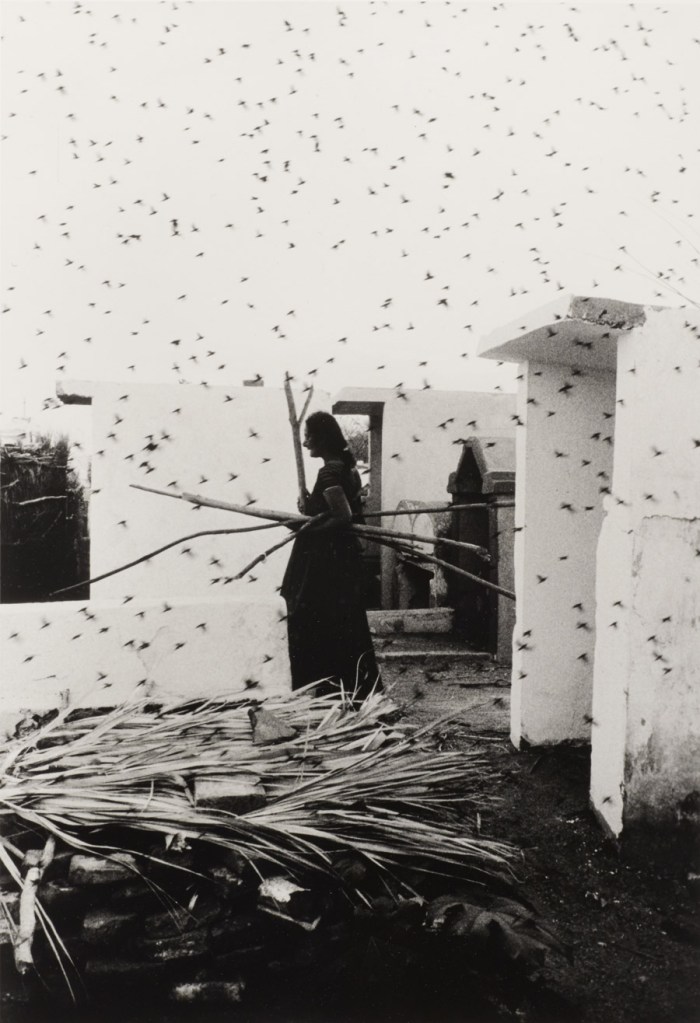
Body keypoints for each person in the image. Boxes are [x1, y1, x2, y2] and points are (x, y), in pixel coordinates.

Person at [280, 411, 382, 701]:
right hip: (341, 559)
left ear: (322, 438)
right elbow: (332, 511)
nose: (305, 443)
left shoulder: (328, 473)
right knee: (341, 622)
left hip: (323, 561)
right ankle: (347, 690)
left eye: (309, 436)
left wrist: (304, 526)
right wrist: (308, 508)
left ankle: (323, 689)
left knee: (308, 617)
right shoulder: (347, 469)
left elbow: (342, 516)